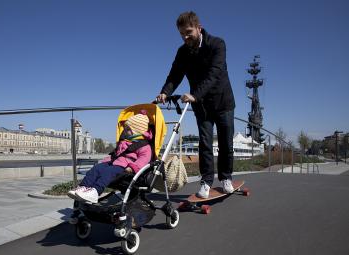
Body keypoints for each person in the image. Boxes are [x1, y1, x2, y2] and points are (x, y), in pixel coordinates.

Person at [156, 11, 235, 198]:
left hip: (223, 103)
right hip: (202, 106)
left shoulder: (217, 44)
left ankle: (226, 178)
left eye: (188, 32)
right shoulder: (182, 52)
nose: (185, 37)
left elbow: (214, 75)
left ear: (199, 28)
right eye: (182, 33)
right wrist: (165, 92)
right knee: (205, 144)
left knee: (226, 143)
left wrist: (194, 95)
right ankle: (206, 182)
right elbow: (174, 75)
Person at [67, 112, 153, 203]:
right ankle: (83, 187)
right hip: (115, 162)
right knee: (97, 168)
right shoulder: (125, 142)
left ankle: (96, 191)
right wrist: (106, 161)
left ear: (136, 131)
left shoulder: (144, 146)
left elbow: (143, 159)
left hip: (125, 167)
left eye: (127, 129)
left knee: (108, 171)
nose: (124, 131)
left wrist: (132, 167)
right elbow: (117, 154)